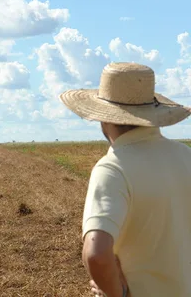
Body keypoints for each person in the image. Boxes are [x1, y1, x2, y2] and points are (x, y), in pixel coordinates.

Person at [59, 62, 191, 297]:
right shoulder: (185, 156)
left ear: (104, 118)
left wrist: (113, 293)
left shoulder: (112, 168)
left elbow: (96, 254)